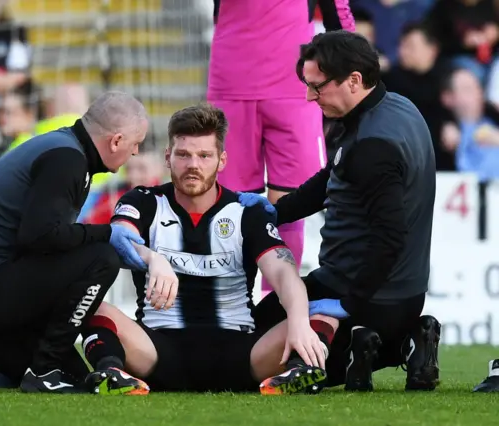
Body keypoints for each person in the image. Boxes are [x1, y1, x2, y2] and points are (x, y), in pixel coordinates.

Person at [77, 103, 340, 395]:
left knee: (321, 313)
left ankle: (297, 371)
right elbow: (119, 239)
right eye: (183, 155)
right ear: (168, 157)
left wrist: (299, 322)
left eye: (204, 156)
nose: (193, 165)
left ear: (222, 160)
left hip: (242, 356)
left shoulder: (245, 210)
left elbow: (282, 273)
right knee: (87, 300)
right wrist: (153, 259)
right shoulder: (143, 201)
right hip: (155, 353)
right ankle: (111, 372)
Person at [239, 31, 441, 392]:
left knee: (258, 358)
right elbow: (331, 177)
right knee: (265, 318)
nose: (308, 96)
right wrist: (271, 212)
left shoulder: (372, 146)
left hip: (366, 291)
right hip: (400, 291)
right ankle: (409, 340)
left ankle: (377, 345)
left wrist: (349, 303)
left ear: (354, 80)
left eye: (317, 87)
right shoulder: (397, 107)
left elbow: (390, 237)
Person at [0, 91, 149, 394]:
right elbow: (41, 236)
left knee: (75, 376)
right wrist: (106, 234)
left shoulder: (64, 148)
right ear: (116, 141)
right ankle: (44, 371)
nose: (136, 152)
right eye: (135, 143)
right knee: (102, 258)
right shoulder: (67, 159)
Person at [207, 0, 355, 297]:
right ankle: (235, 308)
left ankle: (275, 305)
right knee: (231, 206)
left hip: (289, 86)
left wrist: (354, 64)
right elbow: (337, 12)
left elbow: (336, 10)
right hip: (239, 83)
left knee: (290, 204)